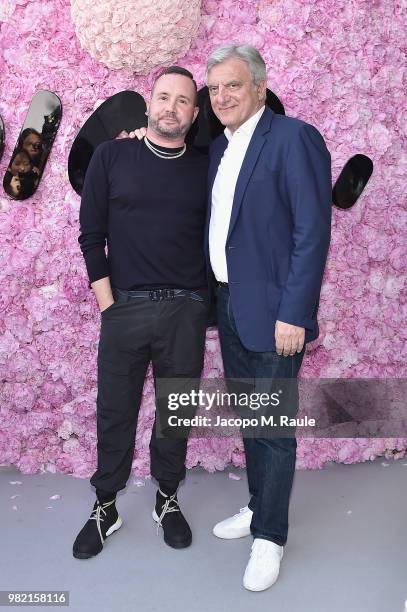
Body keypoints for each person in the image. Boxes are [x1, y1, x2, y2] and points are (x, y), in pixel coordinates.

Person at [204, 45, 332, 591]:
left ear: (259, 86)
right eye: (214, 90)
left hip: (277, 314)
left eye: (232, 85)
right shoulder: (218, 148)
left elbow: (312, 231)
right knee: (251, 417)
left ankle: (271, 538)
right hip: (229, 305)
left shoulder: (292, 137)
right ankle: (259, 509)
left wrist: (294, 314)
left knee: (273, 427)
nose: (222, 97)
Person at [73, 66, 210, 559]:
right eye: (163, 97)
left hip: (184, 313)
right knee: (115, 414)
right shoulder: (112, 155)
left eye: (182, 101)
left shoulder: (206, 167)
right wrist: (109, 305)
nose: (171, 107)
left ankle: (167, 499)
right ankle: (105, 506)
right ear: (148, 104)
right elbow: (92, 236)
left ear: (194, 115)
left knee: (176, 413)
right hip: (123, 308)